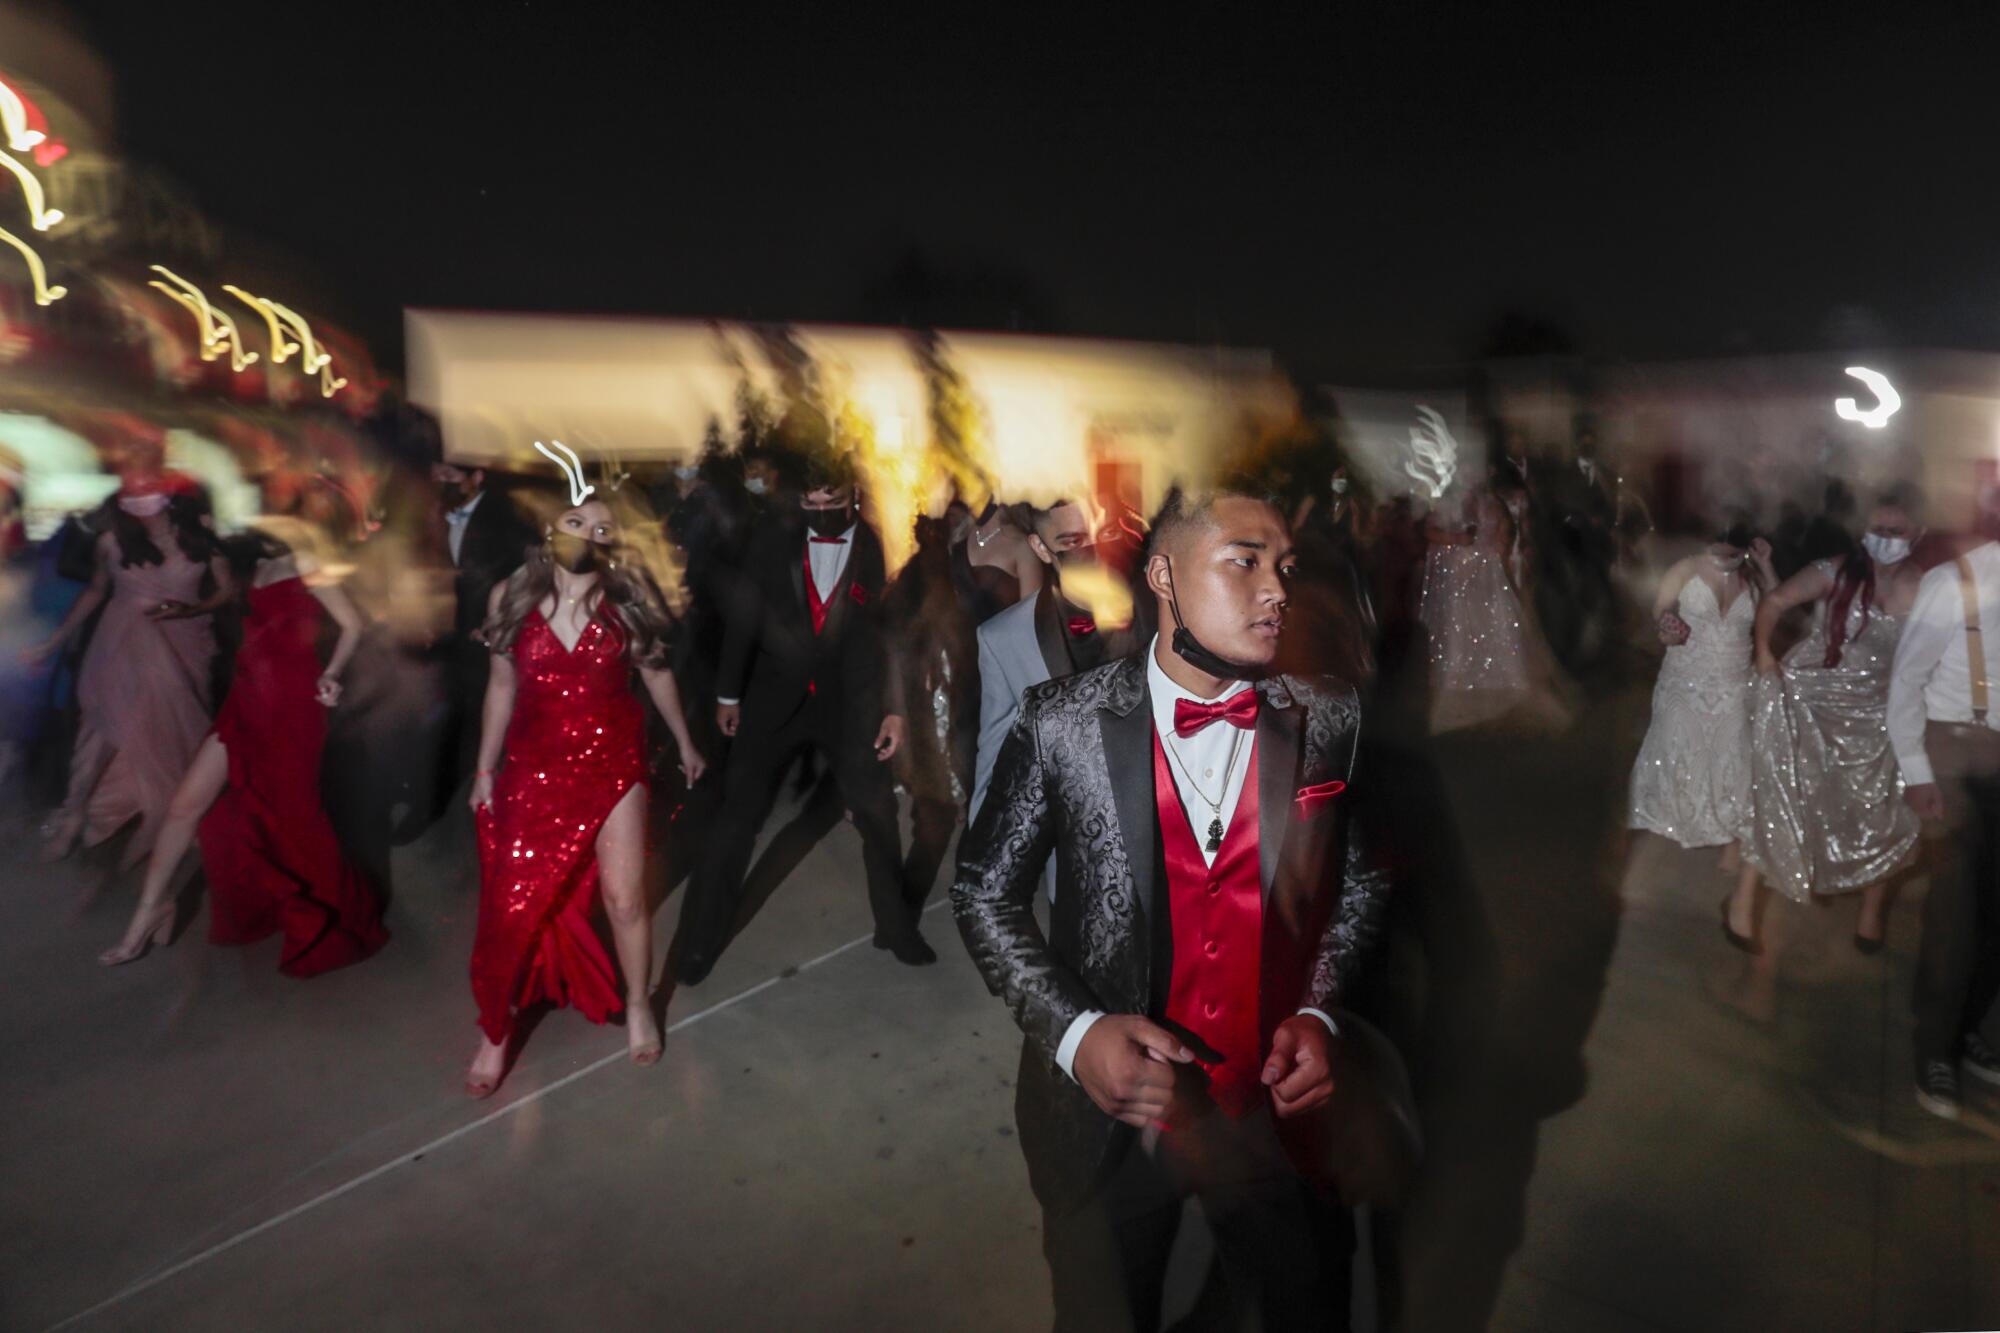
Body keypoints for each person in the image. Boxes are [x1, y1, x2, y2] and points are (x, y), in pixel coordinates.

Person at [953, 488, 1392, 1331]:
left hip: (1269, 1112)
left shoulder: (1326, 714)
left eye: (1286, 568)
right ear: (1163, 574)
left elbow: (1360, 880)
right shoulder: (1062, 725)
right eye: (1246, 561)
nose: (1277, 590)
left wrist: (1320, 1012)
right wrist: (1078, 1034)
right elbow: (982, 891)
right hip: (1108, 1119)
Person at [465, 496, 706, 1098]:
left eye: (603, 529)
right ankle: (496, 1031)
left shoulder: (626, 602)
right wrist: (483, 769)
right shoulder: (511, 598)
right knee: (513, 906)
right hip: (533, 767)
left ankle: (639, 1004)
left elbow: (656, 674)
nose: (588, 536)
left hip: (612, 763)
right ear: (552, 528)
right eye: (577, 523)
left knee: (625, 900)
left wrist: (684, 741)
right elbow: (500, 687)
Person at [97, 528, 388, 972]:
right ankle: (148, 911)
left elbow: (353, 624)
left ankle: (338, 918)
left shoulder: (305, 558)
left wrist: (332, 674)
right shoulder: (250, 565)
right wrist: (190, 610)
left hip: (293, 704)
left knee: (296, 818)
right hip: (247, 696)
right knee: (184, 806)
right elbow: (233, 607)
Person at [1724, 490, 1925, 972]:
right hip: (1813, 699)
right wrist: (1765, 655)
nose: (1885, 539)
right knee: (1784, 796)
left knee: (1888, 812)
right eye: (1877, 529)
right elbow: (1774, 602)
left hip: (1879, 713)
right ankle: (1740, 908)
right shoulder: (1835, 570)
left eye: (1896, 531)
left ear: (1918, 536)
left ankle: (1871, 914)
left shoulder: (1927, 587)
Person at [21, 473, 229, 868]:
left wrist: (193, 609)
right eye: (129, 493)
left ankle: (165, 817)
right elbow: (97, 590)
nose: (137, 500)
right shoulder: (112, 541)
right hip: (121, 643)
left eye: (145, 490)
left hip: (184, 644)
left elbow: (225, 589)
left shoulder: (200, 533)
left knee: (168, 734)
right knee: (102, 732)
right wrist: (55, 641)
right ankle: (74, 815)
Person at [1887, 500, 2000, 1121]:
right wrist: (1916, 771)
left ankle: (1964, 1029)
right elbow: (1907, 681)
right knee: (1956, 912)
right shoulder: (1953, 582)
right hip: (1955, 749)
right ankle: (1934, 1049)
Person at [1627, 520, 1774, 869]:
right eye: (1717, 552)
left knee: (1734, 764)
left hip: (1734, 683)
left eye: (1733, 554)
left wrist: (1766, 565)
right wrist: (1666, 627)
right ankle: (1683, 824)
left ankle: (1731, 840)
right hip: (1685, 679)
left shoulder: (1752, 575)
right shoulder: (1685, 568)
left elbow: (1779, 603)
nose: (1724, 559)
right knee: (1681, 754)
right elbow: (1659, 609)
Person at [970, 498, 1123, 820]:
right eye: (1074, 542)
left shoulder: (1164, 609)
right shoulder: (1004, 638)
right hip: (1071, 842)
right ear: (1040, 548)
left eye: (1104, 535)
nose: (1094, 553)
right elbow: (995, 760)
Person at [1416, 479, 1569, 733]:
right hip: (1462, 574)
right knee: (1464, 629)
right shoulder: (1449, 503)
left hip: (1487, 573)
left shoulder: (1493, 503)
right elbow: (1430, 530)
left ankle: (1500, 680)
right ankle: (1464, 680)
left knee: (1496, 624)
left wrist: (1501, 555)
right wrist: (1455, 538)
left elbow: (1505, 532)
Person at [431, 461, 535, 807]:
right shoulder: (436, 511)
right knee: (445, 714)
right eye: (439, 475)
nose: (443, 483)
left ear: (476, 477)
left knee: (482, 712)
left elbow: (526, 571)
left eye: (452, 477)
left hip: (483, 633)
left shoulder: (506, 515)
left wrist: (498, 618)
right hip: (444, 633)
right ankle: (441, 797)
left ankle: (482, 786)